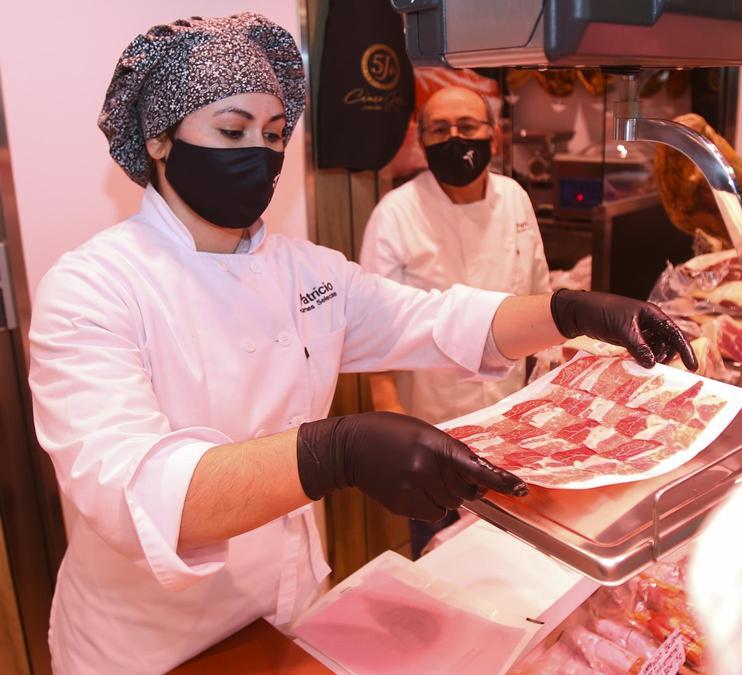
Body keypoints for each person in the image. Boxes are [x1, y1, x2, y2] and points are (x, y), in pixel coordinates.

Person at [27, 14, 695, 673]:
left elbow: (437, 319)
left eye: (273, 134)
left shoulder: (303, 271)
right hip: (153, 646)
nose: (258, 153)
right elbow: (133, 491)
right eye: (231, 130)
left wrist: (570, 310)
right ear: (159, 141)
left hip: (288, 615)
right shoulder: (92, 288)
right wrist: (332, 453)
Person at [360, 86, 552, 555]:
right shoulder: (395, 214)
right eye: (440, 130)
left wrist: (549, 399)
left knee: (517, 553)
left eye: (468, 127)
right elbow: (369, 329)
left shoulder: (514, 198)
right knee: (443, 557)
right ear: (421, 141)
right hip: (434, 426)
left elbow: (539, 297)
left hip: (513, 420)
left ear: (494, 135)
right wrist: (395, 427)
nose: (455, 138)